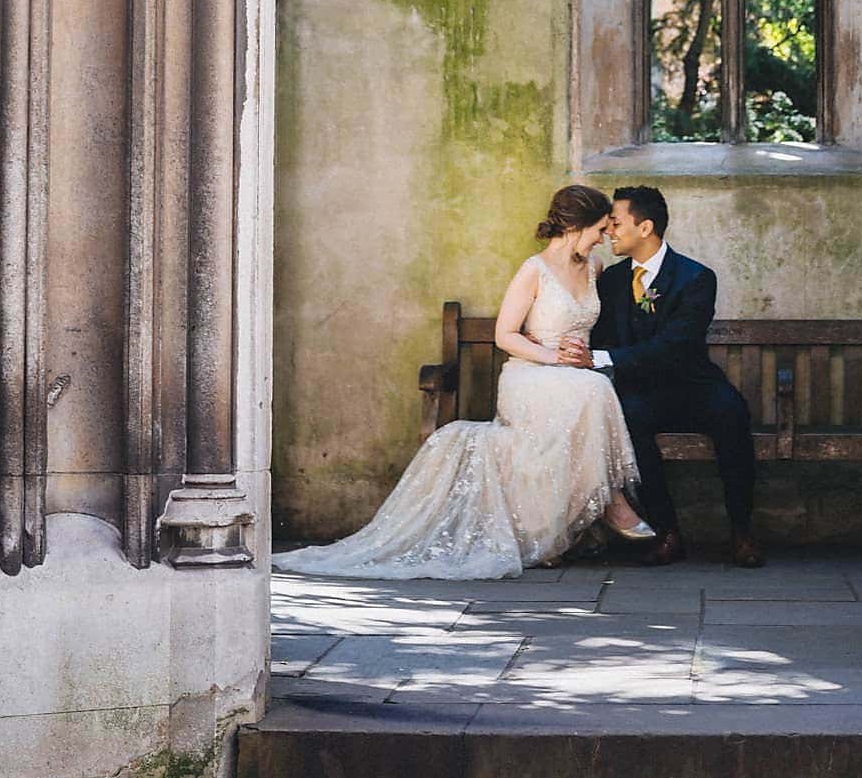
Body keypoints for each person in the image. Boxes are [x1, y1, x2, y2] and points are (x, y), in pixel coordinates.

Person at [272, 185, 653, 580]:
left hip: (572, 377)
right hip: (531, 375)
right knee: (593, 389)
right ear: (576, 226)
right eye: (599, 229)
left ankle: (548, 535)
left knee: (588, 390)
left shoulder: (595, 269)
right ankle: (611, 503)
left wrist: (579, 358)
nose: (603, 238)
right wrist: (552, 356)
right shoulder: (534, 270)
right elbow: (506, 335)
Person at [568, 185, 766, 568]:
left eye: (616, 223)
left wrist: (600, 357)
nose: (609, 232)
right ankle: (667, 532)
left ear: (645, 228)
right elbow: (599, 333)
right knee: (630, 421)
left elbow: (675, 346)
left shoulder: (696, 278)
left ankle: (741, 531)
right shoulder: (610, 282)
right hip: (640, 391)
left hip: (694, 386)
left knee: (732, 414)